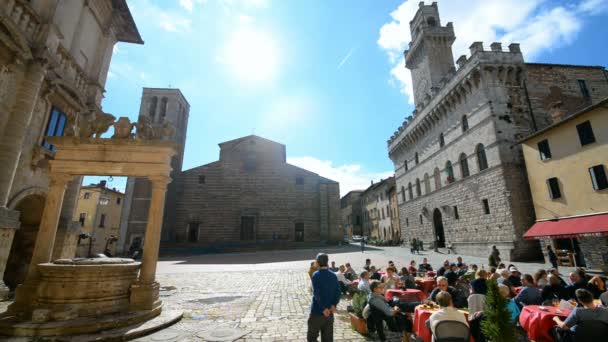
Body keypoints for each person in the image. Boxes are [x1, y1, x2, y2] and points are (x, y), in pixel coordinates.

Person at [307, 253, 340, 342]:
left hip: (317, 311)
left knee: (312, 337)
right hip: (329, 312)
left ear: (317, 262)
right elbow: (337, 292)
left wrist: (323, 308)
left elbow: (317, 293)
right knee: (328, 339)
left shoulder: (316, 275)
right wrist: (333, 304)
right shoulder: (333, 275)